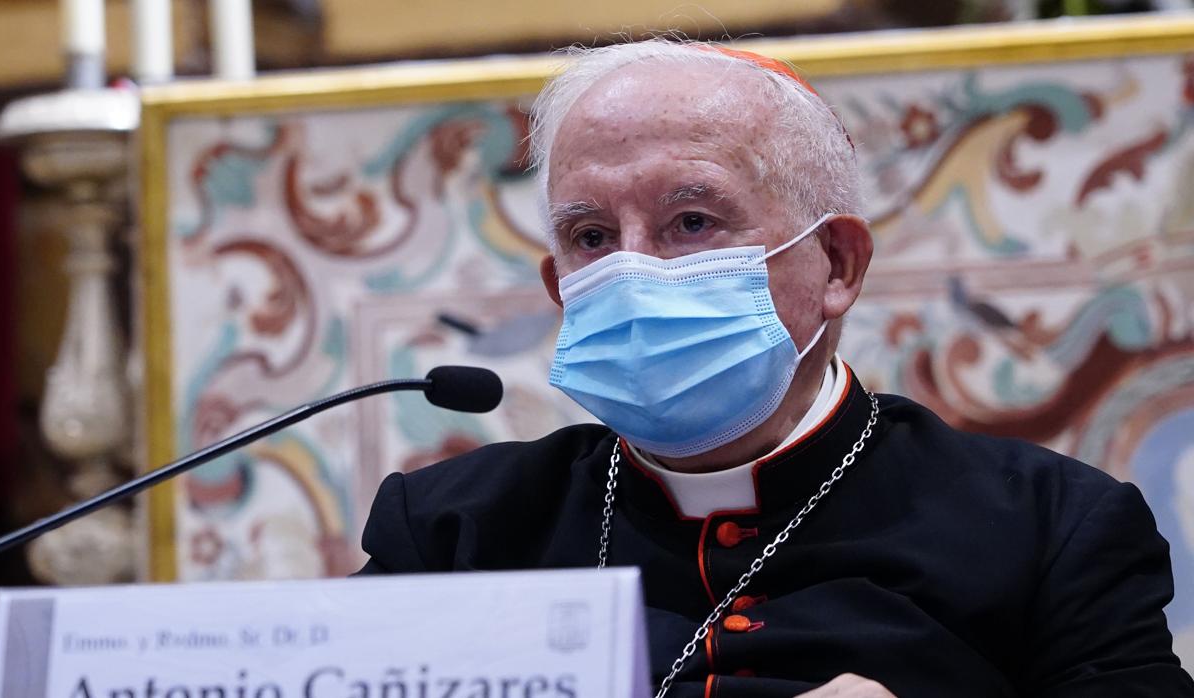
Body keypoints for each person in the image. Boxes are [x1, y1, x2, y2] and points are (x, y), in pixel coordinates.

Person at [358, 39, 1194, 697]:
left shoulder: (1051, 530)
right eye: (590, 237)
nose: (633, 270)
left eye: (691, 220)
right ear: (559, 286)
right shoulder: (451, 535)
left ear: (835, 264)